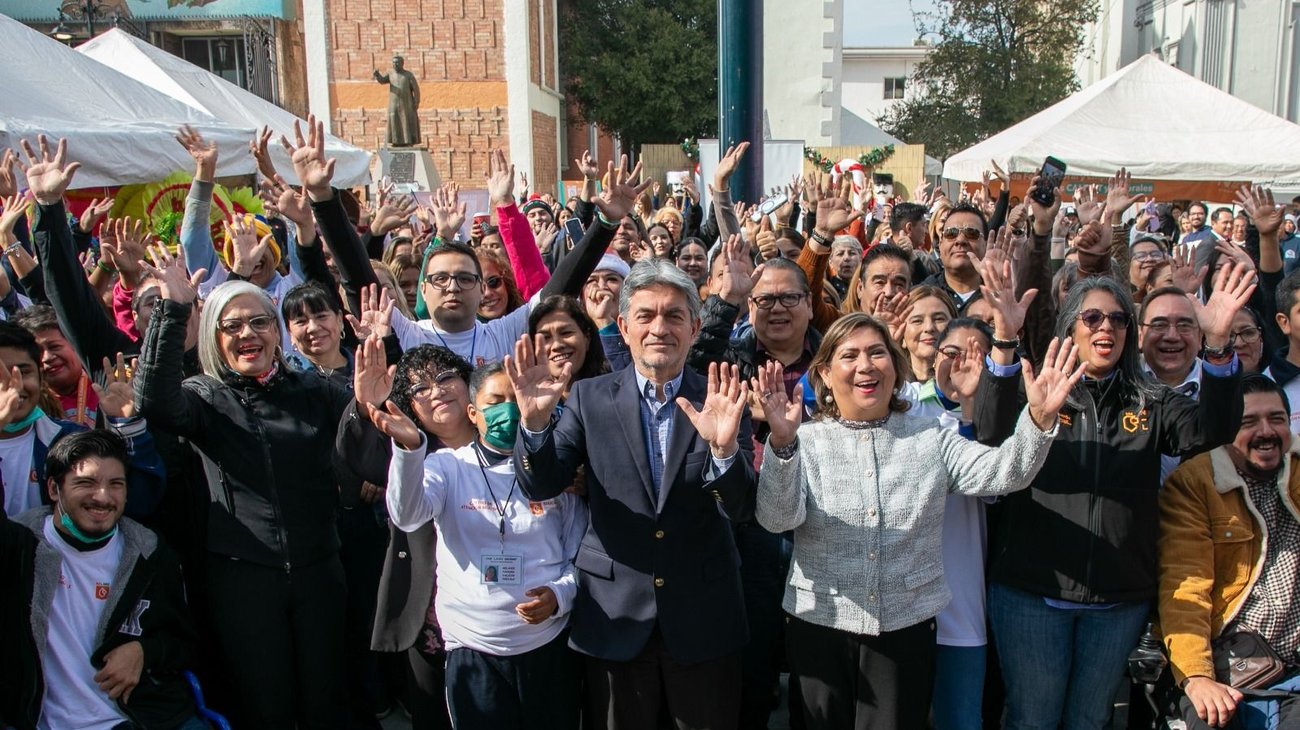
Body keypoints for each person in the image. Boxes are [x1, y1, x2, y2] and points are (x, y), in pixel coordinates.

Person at [754, 313, 1081, 729]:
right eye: (849, 355)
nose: (866, 366)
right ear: (825, 373)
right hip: (819, 624)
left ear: (895, 364)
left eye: (877, 353)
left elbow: (1006, 472)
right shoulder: (805, 439)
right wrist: (781, 445)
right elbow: (776, 517)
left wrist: (1037, 421)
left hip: (906, 626)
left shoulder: (930, 436)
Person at [973, 265, 1254, 730]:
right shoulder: (1042, 389)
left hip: (1118, 602)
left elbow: (1213, 431)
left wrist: (1219, 347)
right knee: (1032, 718)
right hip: (1032, 594)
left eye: (1119, 319)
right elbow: (990, 429)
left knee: (1089, 719)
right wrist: (1004, 338)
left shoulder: (1151, 400)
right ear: (1071, 328)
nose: (1107, 327)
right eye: (1093, 318)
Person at [510, 259, 757, 730]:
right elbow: (540, 483)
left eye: (673, 315)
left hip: (704, 614)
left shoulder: (721, 398)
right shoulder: (588, 398)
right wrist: (536, 424)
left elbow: (743, 508)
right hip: (613, 615)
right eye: (645, 316)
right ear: (623, 327)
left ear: (695, 326)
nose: (658, 328)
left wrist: (723, 451)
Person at [134, 248, 357, 728]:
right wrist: (173, 310)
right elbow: (153, 400)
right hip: (242, 578)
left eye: (258, 322)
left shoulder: (313, 390)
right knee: (264, 703)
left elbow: (367, 427)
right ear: (215, 338)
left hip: (319, 569)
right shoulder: (203, 397)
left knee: (326, 699)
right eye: (231, 327)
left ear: (277, 331)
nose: (247, 335)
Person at [370, 360, 586, 729]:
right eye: (494, 401)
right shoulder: (446, 466)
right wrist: (409, 451)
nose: (507, 410)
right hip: (473, 649)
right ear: (472, 412)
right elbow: (407, 515)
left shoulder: (557, 476)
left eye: (515, 400)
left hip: (546, 647)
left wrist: (557, 596)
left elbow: (577, 556)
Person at [1, 430, 203, 730]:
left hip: (144, 718)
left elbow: (186, 643)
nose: (103, 497)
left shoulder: (150, 553)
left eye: (116, 485)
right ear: (54, 489)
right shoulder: (18, 548)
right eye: (86, 482)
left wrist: (145, 652)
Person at [1159, 375, 1300, 730]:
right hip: (1225, 665)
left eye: (1277, 419)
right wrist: (1196, 676)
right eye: (1247, 422)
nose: (1265, 432)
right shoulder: (1196, 482)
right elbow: (1183, 588)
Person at [373, 55, 421, 147]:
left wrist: (416, 101)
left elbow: (416, 89)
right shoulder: (391, 74)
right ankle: (395, 141)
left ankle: (408, 141)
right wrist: (377, 75)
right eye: (394, 62)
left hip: (406, 103)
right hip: (394, 103)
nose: (395, 64)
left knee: (405, 120)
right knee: (394, 120)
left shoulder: (408, 75)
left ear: (402, 63)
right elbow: (382, 81)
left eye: (397, 62)